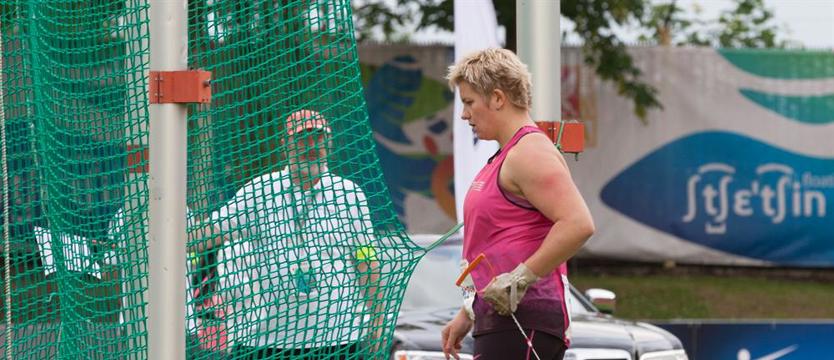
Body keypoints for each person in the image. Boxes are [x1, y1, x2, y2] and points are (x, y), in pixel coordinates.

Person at [440, 48, 595, 360]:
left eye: (469, 102)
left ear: (497, 98)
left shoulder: (529, 152)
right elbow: (499, 248)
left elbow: (578, 224)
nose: (464, 114)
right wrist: (468, 312)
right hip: (505, 319)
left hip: (525, 320)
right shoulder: (507, 154)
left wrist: (520, 278)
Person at [212, 109, 381, 359]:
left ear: (329, 143)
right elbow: (211, 233)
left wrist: (376, 322)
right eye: (302, 139)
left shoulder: (349, 194)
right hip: (268, 341)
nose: (310, 146)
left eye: (318, 138)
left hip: (337, 339)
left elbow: (366, 259)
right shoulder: (260, 191)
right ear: (285, 144)